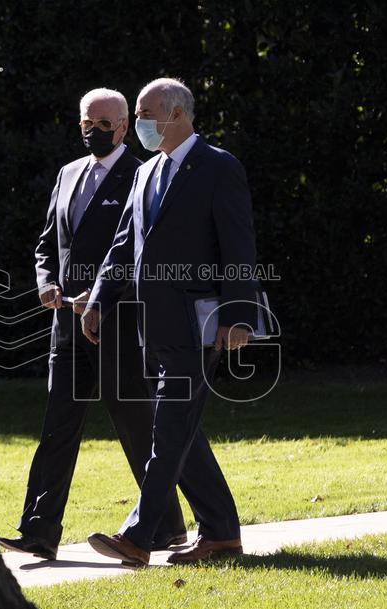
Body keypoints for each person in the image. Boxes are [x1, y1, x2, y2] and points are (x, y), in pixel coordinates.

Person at [0, 88, 186, 561]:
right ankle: (39, 530)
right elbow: (47, 244)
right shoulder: (67, 174)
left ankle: (166, 525)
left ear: (124, 126)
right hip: (66, 326)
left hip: (117, 325)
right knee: (58, 425)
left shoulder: (140, 176)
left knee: (136, 424)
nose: (93, 131)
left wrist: (99, 297)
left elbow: (137, 251)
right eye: (87, 122)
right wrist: (46, 283)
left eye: (104, 123)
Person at [80, 78, 257, 566]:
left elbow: (239, 247)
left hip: (198, 325)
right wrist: (98, 299)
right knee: (180, 430)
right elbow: (123, 245)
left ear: (176, 114)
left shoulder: (219, 167)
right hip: (151, 327)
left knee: (169, 428)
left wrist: (239, 316)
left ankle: (139, 535)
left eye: (144, 113)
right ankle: (221, 534)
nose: (138, 123)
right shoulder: (146, 172)